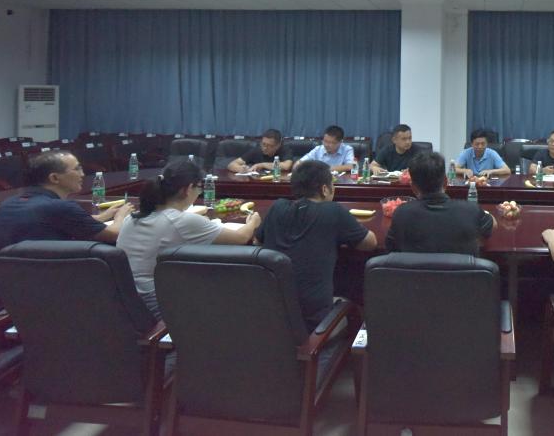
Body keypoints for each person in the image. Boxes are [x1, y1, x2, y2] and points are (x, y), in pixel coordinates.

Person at [0, 151, 134, 307]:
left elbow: (57, 221)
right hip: (35, 295)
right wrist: (122, 215)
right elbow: (114, 234)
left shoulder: (10, 202)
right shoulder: (60, 207)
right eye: (77, 169)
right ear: (54, 178)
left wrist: (103, 216)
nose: (82, 174)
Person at [117, 158, 259, 319]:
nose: (199, 193)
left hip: (125, 302)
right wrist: (253, 222)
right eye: (199, 188)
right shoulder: (181, 221)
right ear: (188, 189)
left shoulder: (132, 218)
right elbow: (241, 237)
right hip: (158, 304)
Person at [255, 161, 377, 329]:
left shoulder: (277, 207)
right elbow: (370, 243)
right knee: (356, 302)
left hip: (272, 318)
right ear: (325, 189)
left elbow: (257, 241)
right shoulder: (333, 211)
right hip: (315, 326)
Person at [386, 151, 495, 256]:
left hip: (416, 270)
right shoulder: (470, 210)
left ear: (413, 188)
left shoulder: (401, 213)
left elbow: (391, 248)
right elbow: (493, 225)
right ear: (445, 182)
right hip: (458, 269)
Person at [227, 129, 293, 173]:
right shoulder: (257, 150)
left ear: (278, 145)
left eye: (269, 145)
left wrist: (262, 165)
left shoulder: (284, 149)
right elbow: (231, 165)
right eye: (263, 144)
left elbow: (287, 166)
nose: (265, 148)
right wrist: (240, 169)